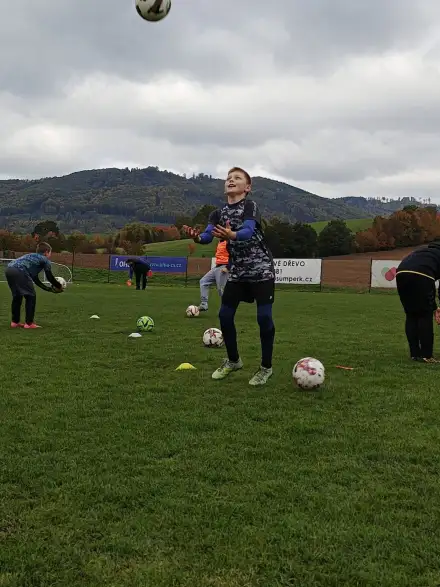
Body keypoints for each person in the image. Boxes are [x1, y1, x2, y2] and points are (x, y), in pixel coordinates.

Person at [183, 166, 275, 386]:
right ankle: (234, 361)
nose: (231, 180)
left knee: (264, 318)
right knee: (225, 315)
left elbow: (248, 231)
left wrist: (231, 234)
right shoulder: (218, 214)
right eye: (228, 178)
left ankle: (266, 368)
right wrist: (197, 238)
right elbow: (207, 236)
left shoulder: (250, 206)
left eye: (237, 178)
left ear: (247, 187)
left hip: (261, 270)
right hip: (237, 273)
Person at [396, 241, 440, 363]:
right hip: (422, 274)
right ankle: (426, 355)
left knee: (411, 314)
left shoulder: (425, 251)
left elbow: (429, 291)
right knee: (425, 315)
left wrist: (435, 307)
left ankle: (414, 354)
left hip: (401, 272)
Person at [5, 242, 63, 329]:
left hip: (9, 269)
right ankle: (29, 324)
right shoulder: (45, 260)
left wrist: (49, 289)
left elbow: (36, 280)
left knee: (17, 296)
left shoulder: (31, 257)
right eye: (50, 252)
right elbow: (49, 276)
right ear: (46, 252)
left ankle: (15, 322)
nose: (50, 255)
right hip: (20, 271)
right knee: (31, 296)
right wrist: (59, 286)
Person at [198, 240, 229, 311]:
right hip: (217, 266)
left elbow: (234, 255)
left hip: (224, 266)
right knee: (203, 281)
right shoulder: (220, 241)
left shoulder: (229, 241)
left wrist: (228, 267)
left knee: (221, 290)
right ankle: (204, 304)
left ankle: (226, 309)